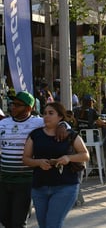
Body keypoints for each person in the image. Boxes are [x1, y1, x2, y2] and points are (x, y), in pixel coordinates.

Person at [0, 91, 68, 228]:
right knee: (4, 219)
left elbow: (59, 123)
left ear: (28, 108)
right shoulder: (3, 123)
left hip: (24, 180)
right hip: (3, 179)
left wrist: (63, 125)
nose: (13, 107)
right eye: (12, 104)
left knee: (17, 221)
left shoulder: (37, 122)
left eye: (18, 105)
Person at [22, 102, 89, 228]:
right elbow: (25, 158)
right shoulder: (36, 135)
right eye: (45, 113)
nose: (46, 116)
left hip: (65, 186)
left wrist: (68, 158)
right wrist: (38, 162)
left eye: (51, 113)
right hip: (40, 187)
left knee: (53, 224)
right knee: (44, 224)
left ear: (60, 117)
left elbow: (85, 155)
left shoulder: (69, 135)